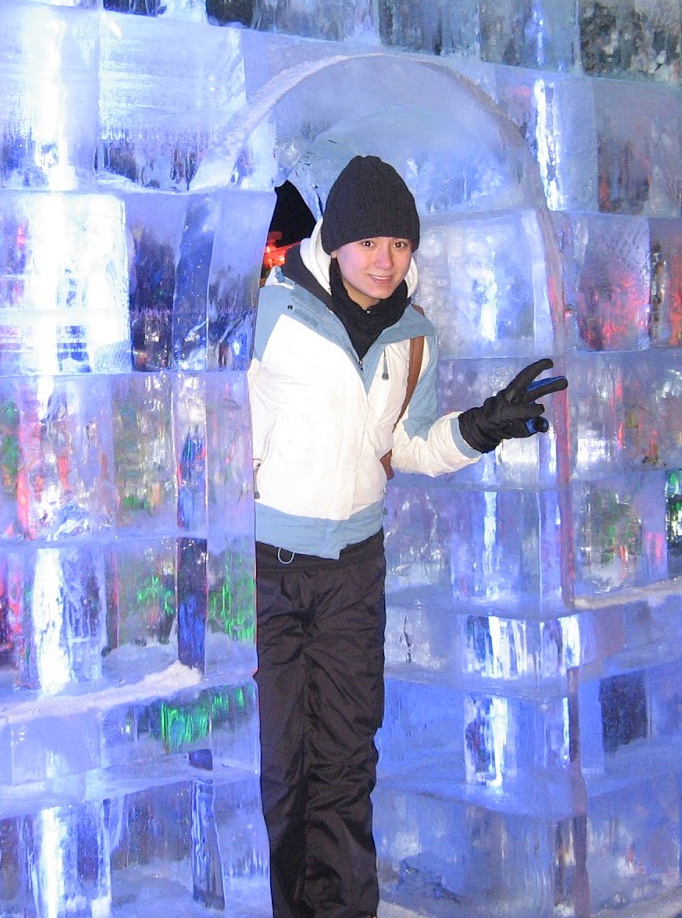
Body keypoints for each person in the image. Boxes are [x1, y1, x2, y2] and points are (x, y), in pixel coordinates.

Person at [248, 154, 568, 918]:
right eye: (370, 244)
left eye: (400, 244)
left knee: (347, 762)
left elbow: (411, 444)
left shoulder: (412, 336)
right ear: (335, 241)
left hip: (354, 569)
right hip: (266, 569)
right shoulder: (270, 311)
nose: (386, 261)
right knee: (286, 768)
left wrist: (481, 427)